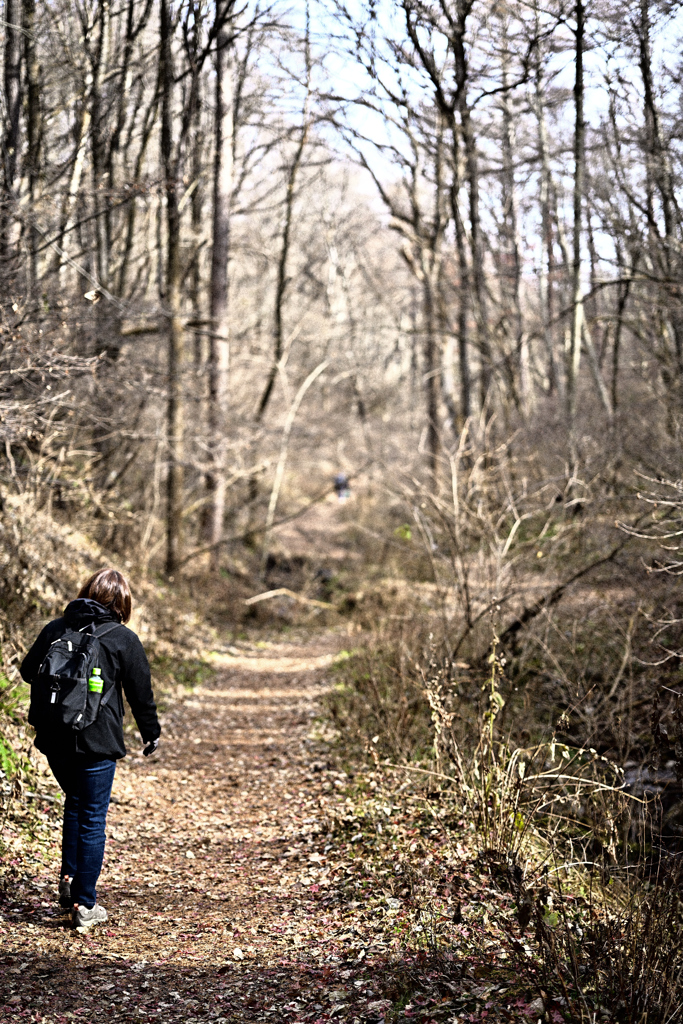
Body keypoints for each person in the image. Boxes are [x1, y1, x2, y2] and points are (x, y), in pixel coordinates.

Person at [20, 568, 161, 933]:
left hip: (55, 739)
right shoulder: (122, 639)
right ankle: (85, 902)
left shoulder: (56, 629)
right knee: (93, 816)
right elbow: (140, 694)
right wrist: (151, 733)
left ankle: (68, 878)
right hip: (97, 742)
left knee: (76, 803)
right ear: (123, 603)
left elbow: (26, 671)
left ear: (85, 593)